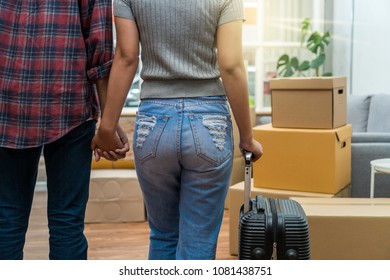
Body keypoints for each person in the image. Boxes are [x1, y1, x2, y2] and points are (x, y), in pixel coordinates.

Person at [91, 0, 263, 260]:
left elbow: (126, 57)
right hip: (209, 124)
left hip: (154, 123)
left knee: (163, 235)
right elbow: (230, 65)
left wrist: (107, 126)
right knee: (199, 241)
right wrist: (247, 137)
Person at [0, 1, 128, 260]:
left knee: (7, 221)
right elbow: (100, 46)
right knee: (67, 222)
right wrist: (108, 123)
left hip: (7, 105)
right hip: (69, 103)